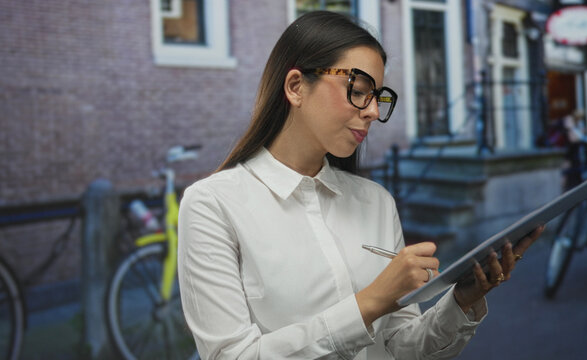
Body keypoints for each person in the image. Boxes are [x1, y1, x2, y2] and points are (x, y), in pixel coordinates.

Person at [177, 11, 543, 359]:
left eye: (377, 95)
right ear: (295, 86)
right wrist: (369, 303)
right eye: (359, 87)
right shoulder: (213, 205)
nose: (372, 111)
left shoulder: (376, 202)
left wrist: (463, 300)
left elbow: (403, 348)